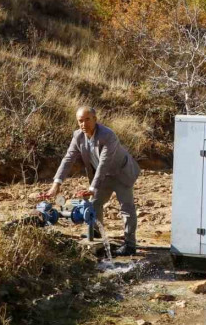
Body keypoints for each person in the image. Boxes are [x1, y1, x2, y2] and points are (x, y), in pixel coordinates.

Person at [43, 106, 141, 256]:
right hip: (102, 176)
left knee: (126, 208)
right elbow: (68, 159)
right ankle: (96, 232)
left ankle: (130, 244)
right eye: (80, 121)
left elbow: (104, 162)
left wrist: (92, 187)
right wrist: (56, 184)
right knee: (95, 204)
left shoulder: (108, 135)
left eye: (87, 120)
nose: (84, 124)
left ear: (95, 119)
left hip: (121, 173)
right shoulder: (78, 136)